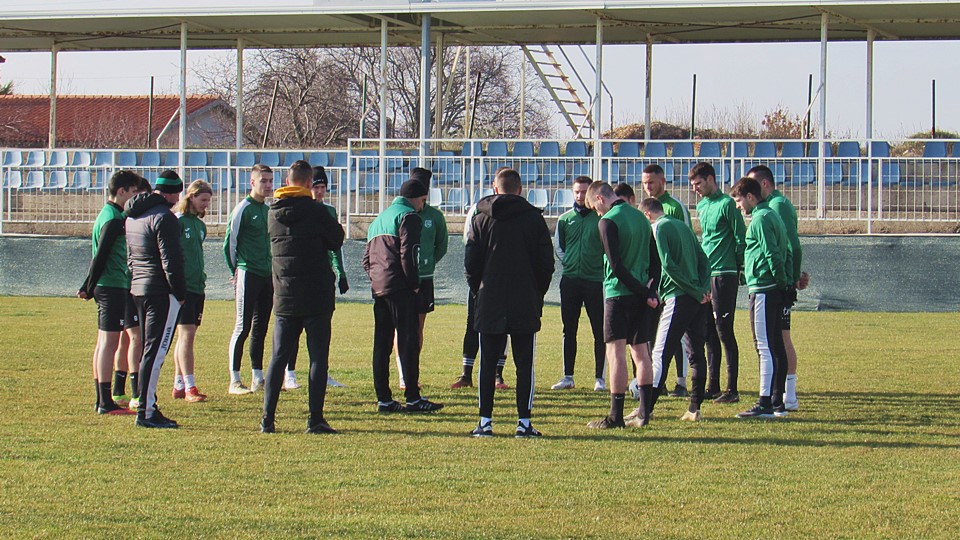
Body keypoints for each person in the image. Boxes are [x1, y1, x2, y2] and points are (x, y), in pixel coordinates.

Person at [465, 168, 554, 437]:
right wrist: (537, 292)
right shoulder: (534, 219)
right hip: (524, 298)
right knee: (525, 363)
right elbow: (546, 264)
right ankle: (523, 423)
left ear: (495, 188)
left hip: (490, 297)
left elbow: (471, 263)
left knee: (487, 363)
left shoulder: (480, 218)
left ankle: (485, 422)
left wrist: (479, 290)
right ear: (520, 189)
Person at [261, 160, 346, 434]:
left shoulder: (273, 213)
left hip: (284, 294)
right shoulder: (317, 211)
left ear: (287, 182)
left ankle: (267, 419)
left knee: (278, 356)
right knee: (318, 357)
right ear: (310, 183)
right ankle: (315, 418)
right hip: (316, 294)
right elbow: (336, 239)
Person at [363, 179, 443, 414]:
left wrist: (377, 279)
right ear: (416, 198)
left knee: (382, 344)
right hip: (400, 288)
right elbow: (410, 253)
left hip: (379, 288)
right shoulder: (409, 217)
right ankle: (413, 398)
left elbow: (366, 259)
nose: (423, 205)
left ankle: (384, 399)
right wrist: (414, 284)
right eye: (423, 200)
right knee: (408, 341)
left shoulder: (379, 219)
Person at [584, 181, 659, 429]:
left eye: (595, 208)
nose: (597, 213)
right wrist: (649, 291)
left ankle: (615, 416)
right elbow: (656, 260)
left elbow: (616, 266)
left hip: (619, 293)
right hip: (642, 294)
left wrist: (642, 291)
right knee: (641, 352)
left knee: (615, 352)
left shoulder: (608, 221)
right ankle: (644, 413)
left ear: (600, 199)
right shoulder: (640, 218)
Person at [640, 197, 712, 422]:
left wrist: (693, 290)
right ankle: (694, 408)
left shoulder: (659, 228)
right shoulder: (683, 226)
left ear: (647, 215)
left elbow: (668, 265)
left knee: (660, 353)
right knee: (696, 353)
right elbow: (704, 260)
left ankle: (645, 409)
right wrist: (703, 289)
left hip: (678, 296)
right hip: (697, 299)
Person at [125, 169, 187, 429]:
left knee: (148, 350)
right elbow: (170, 261)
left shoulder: (133, 216)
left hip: (139, 287)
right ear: (171, 193)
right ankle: (146, 410)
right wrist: (180, 293)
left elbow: (131, 257)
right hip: (160, 290)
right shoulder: (165, 217)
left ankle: (147, 404)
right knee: (157, 350)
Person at [77, 170, 142, 416]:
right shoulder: (113, 218)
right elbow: (101, 255)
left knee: (104, 343)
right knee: (109, 343)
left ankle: (103, 400)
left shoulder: (110, 214)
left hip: (111, 285)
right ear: (122, 191)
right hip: (111, 286)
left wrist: (89, 285)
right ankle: (105, 402)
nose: (134, 196)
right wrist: (88, 286)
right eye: (133, 192)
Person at [728, 176, 792, 419]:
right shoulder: (771, 215)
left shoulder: (760, 219)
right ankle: (777, 402)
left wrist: (781, 283)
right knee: (774, 345)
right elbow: (786, 251)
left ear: (750, 197)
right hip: (769, 286)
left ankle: (765, 402)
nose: (738, 206)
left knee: (763, 346)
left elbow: (772, 253)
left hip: (764, 287)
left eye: (739, 201)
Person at [747, 165, 809, 411]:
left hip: (775, 283)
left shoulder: (775, 207)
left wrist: (792, 279)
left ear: (763, 184)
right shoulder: (773, 206)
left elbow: (790, 246)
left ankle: (785, 396)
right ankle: (783, 396)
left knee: (779, 339)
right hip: (781, 279)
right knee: (777, 339)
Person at [690, 162, 746, 404]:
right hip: (707, 275)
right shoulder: (702, 206)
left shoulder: (727, 204)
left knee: (724, 330)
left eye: (698, 184)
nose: (695, 189)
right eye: (693, 185)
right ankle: (713, 385)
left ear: (710, 179)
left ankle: (732, 389)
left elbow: (740, 238)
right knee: (709, 332)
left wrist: (739, 268)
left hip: (725, 274)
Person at [551, 175, 606, 392]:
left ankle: (600, 378)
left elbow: (608, 248)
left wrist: (598, 266)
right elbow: (559, 247)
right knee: (569, 329)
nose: (580, 196)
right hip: (570, 280)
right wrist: (570, 263)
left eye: (584, 191)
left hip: (595, 280)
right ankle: (568, 376)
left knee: (599, 331)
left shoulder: (601, 219)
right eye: (577, 192)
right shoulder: (565, 219)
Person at [394, 167, 448, 391]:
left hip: (424, 279)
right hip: (402, 279)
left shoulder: (434, 216)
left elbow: (441, 246)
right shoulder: (402, 213)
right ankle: (402, 375)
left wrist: (427, 264)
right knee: (400, 328)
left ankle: (412, 373)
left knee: (417, 327)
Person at [642, 163, 693, 397]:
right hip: (657, 282)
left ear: (663, 181)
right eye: (645, 183)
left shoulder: (674, 208)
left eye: (651, 182)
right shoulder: (646, 209)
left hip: (676, 283)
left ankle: (681, 381)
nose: (648, 186)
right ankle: (658, 381)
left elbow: (687, 240)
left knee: (679, 333)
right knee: (655, 332)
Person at [224, 164, 274, 394]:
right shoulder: (242, 209)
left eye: (270, 180)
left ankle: (258, 377)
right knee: (242, 326)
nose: (268, 185)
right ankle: (234, 380)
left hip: (266, 275)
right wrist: (236, 270)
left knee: (261, 327)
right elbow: (230, 243)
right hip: (247, 272)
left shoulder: (268, 210)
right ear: (252, 182)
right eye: (263, 180)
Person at [111, 176, 153, 410]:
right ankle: (136, 392)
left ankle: (119, 391)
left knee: (127, 338)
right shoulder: (130, 221)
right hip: (131, 285)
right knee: (135, 337)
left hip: (130, 284)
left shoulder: (132, 220)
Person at [171, 179, 212, 403]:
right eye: (202, 199)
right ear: (192, 197)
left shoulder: (200, 225)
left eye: (208, 200)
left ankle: (179, 384)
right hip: (183, 287)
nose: (206, 204)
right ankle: (190, 386)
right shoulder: (178, 222)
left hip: (197, 286)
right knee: (186, 335)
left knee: (187, 335)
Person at [308, 165, 347, 389]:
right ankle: (289, 372)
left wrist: (341, 273)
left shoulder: (329, 211)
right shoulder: (303, 209)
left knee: (323, 328)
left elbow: (335, 246)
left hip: (323, 275)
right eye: (316, 187)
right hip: (304, 275)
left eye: (323, 187)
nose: (320, 191)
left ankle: (323, 372)